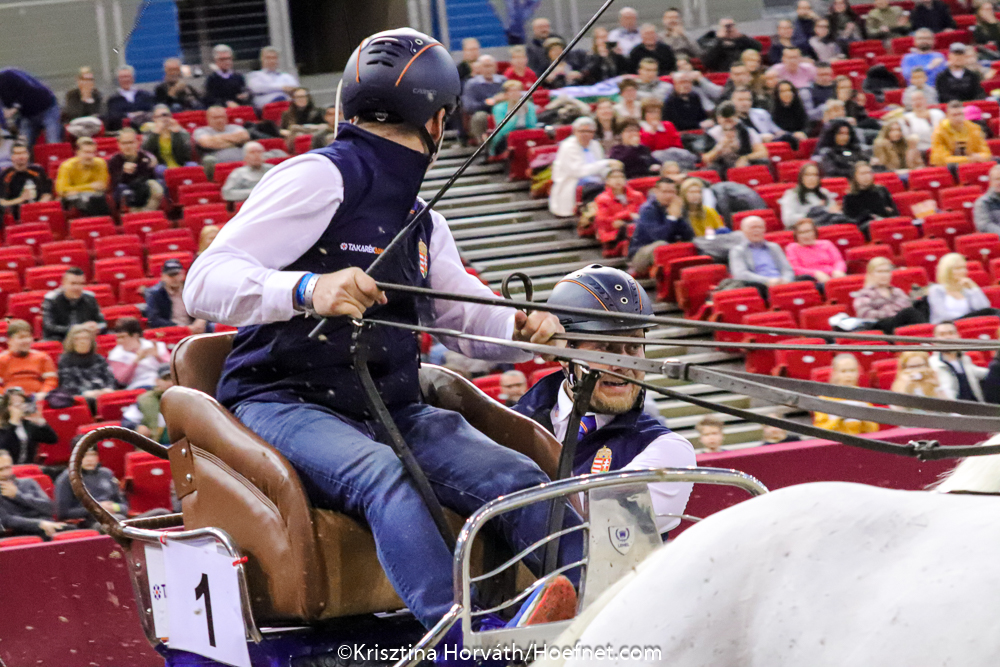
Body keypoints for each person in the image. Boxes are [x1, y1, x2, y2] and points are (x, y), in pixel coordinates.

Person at [183, 29, 582, 632]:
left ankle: (603, 610)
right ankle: (459, 641)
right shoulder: (319, 177)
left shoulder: (423, 220)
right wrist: (307, 289)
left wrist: (520, 325)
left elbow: (460, 311)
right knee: (383, 475)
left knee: (519, 479)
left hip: (394, 409)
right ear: (439, 121)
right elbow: (203, 282)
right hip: (285, 402)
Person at [513, 266, 696, 536]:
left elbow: (588, 530)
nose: (623, 364)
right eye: (605, 349)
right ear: (563, 354)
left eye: (633, 347)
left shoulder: (668, 450)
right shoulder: (510, 422)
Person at [629, 178, 694, 274]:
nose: (668, 196)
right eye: (664, 192)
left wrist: (680, 219)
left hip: (668, 251)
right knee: (661, 245)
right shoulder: (647, 210)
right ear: (656, 192)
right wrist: (672, 218)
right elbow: (658, 237)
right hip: (641, 255)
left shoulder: (676, 207)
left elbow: (689, 236)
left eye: (672, 192)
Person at [550, 117, 611, 217]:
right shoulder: (567, 146)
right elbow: (578, 171)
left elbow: (602, 168)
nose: (585, 134)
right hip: (574, 184)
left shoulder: (595, 145)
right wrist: (605, 163)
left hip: (596, 183)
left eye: (589, 131)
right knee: (599, 190)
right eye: (582, 131)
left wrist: (610, 173)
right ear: (575, 132)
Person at [54, 446, 129, 527]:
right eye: (84, 455)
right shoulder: (67, 478)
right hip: (87, 522)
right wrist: (96, 508)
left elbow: (124, 505)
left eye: (93, 454)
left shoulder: (106, 474)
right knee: (117, 523)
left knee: (133, 521)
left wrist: (113, 508)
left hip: (114, 517)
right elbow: (63, 513)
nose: (90, 459)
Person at [853, 257, 929, 334]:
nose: (884, 275)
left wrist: (885, 309)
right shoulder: (865, 294)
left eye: (886, 271)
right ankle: (926, 335)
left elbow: (907, 305)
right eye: (880, 272)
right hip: (879, 326)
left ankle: (925, 334)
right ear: (871, 274)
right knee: (909, 313)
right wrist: (892, 311)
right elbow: (865, 314)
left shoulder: (897, 291)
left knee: (922, 304)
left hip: (899, 322)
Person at [0, 451, 65, 539]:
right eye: (1, 470)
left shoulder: (28, 483)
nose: (6, 473)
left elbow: (49, 508)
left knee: (72, 531)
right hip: (24, 531)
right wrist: (39, 524)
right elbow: (7, 520)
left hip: (48, 523)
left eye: (8, 468)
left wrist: (17, 496)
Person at [813, 353, 880, 434]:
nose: (849, 375)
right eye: (843, 371)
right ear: (835, 373)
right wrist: (838, 418)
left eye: (852, 371)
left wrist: (863, 418)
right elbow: (819, 431)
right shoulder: (824, 399)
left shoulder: (863, 395)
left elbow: (874, 429)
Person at [729, 215, 796, 295]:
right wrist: (768, 281)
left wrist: (786, 280)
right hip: (759, 285)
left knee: (805, 279)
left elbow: (787, 269)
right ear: (743, 230)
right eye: (752, 228)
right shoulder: (738, 251)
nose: (756, 230)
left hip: (782, 282)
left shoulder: (774, 247)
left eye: (760, 227)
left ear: (764, 229)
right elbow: (740, 274)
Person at [702, 101, 769, 177]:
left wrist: (745, 158)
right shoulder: (712, 134)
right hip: (723, 166)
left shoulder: (747, 131)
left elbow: (763, 152)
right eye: (725, 120)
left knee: (763, 161)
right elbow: (706, 158)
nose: (728, 124)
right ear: (718, 119)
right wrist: (720, 146)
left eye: (731, 120)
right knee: (713, 168)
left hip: (744, 164)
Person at [0, 68, 61, 148]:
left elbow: (26, 89)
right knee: (23, 145)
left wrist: (14, 107)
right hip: (27, 114)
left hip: (47, 108)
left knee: (53, 141)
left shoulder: (8, 75)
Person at [929, 253, 998, 323]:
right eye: (957, 268)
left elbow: (983, 309)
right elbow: (943, 314)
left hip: (967, 324)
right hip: (947, 326)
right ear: (947, 271)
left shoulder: (966, 289)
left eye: (964, 268)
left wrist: (974, 288)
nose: (963, 271)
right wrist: (966, 318)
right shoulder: (936, 290)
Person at [41, 267, 106, 342]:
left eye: (81, 284)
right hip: (60, 339)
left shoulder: (90, 298)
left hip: (86, 340)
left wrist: (97, 327)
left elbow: (103, 323)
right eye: (73, 283)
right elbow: (49, 327)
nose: (77, 287)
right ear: (63, 284)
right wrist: (79, 329)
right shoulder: (52, 299)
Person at [145, 259, 209, 333]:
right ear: (163, 277)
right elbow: (154, 320)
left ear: (182, 274)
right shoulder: (155, 294)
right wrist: (182, 328)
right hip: (172, 332)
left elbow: (206, 308)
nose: (174, 278)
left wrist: (201, 320)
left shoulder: (192, 289)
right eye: (170, 276)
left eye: (177, 274)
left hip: (197, 328)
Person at [929, 321, 988, 401]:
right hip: (952, 407)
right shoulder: (932, 365)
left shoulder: (964, 359)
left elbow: (982, 373)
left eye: (951, 333)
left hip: (976, 406)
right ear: (934, 340)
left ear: (958, 336)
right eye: (942, 334)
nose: (947, 337)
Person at [58, 324, 115, 405]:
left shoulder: (99, 358)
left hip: (104, 394)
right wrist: (87, 392)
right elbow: (68, 385)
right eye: (77, 339)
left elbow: (109, 378)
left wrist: (108, 389)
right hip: (82, 397)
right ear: (72, 342)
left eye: (86, 339)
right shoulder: (65, 361)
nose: (82, 342)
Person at [107, 127, 163, 212]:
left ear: (137, 142)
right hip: (125, 189)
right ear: (118, 144)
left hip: (145, 188)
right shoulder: (114, 160)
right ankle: (134, 214)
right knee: (123, 189)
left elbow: (150, 176)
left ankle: (147, 212)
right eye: (124, 143)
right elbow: (115, 183)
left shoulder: (145, 157)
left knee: (156, 184)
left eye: (131, 142)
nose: (128, 146)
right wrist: (124, 172)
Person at [107, 317, 169, 390]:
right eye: (118, 337)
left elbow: (172, 367)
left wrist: (158, 357)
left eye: (123, 337)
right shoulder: (115, 355)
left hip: (162, 381)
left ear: (135, 335)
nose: (119, 341)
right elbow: (121, 380)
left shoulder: (156, 346)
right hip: (138, 385)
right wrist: (135, 362)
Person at [0, 320, 57, 397]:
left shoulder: (43, 357)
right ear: (10, 340)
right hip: (10, 400)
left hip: (38, 398)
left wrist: (43, 394)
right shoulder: (2, 359)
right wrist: (7, 397)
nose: (25, 341)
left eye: (28, 337)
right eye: (21, 337)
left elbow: (51, 381)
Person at [0, 387, 56, 465]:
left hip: (28, 466)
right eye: (16, 405)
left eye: (22, 403)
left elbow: (52, 439)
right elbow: (3, 446)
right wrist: (13, 423)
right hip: (8, 467)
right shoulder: (3, 426)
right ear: (7, 407)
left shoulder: (28, 425)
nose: (20, 407)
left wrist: (42, 424)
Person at [55, 137, 109, 216]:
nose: (90, 156)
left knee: (97, 199)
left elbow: (101, 186)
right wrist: (90, 186)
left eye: (93, 152)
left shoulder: (101, 163)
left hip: (95, 197)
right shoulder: (67, 166)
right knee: (84, 200)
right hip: (72, 199)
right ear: (78, 152)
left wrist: (75, 189)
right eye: (86, 152)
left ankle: (102, 221)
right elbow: (61, 190)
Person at [121, 364, 174, 443]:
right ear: (157, 381)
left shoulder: (187, 398)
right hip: (154, 444)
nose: (170, 383)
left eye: (173, 379)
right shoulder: (145, 400)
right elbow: (126, 421)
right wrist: (137, 427)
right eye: (166, 379)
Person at [193, 106, 251, 178]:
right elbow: (207, 143)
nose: (219, 120)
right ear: (208, 119)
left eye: (222, 117)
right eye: (215, 118)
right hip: (216, 160)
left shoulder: (236, 127)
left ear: (226, 118)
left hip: (241, 158)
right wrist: (234, 142)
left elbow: (244, 137)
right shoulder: (201, 130)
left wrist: (216, 139)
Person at [784, 218, 846, 285]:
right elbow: (795, 268)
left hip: (833, 275)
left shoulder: (826, 243)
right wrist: (815, 273)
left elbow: (838, 261)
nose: (806, 235)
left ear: (814, 232)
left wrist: (838, 270)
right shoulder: (792, 248)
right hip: (811, 280)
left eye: (809, 231)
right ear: (796, 235)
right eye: (801, 232)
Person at [929, 100, 992, 166]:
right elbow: (941, 160)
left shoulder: (974, 128)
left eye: (960, 114)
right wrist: (968, 159)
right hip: (950, 167)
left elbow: (987, 153)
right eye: (954, 115)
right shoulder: (939, 132)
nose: (958, 118)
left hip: (972, 164)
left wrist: (980, 157)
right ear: (947, 116)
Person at [780, 162, 841, 228]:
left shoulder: (824, 192)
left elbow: (834, 211)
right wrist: (810, 216)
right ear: (801, 177)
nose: (812, 178)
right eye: (808, 175)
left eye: (815, 175)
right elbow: (787, 220)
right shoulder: (792, 194)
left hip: (826, 226)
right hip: (804, 229)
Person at [0, 142, 52, 220]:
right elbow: (2, 202)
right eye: (17, 154)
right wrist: (21, 199)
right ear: (11, 157)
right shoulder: (5, 175)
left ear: (28, 155)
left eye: (24, 153)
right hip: (16, 212)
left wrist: (38, 205)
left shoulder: (38, 170)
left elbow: (47, 193)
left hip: (39, 209)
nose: (21, 157)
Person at [462, 55, 506, 145]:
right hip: (482, 113)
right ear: (480, 68)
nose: (488, 69)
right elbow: (469, 106)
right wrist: (490, 102)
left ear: (496, 67)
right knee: (480, 116)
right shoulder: (472, 84)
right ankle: (482, 144)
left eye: (491, 66)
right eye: (485, 66)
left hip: (502, 110)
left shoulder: (503, 81)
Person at [594, 167, 645, 241]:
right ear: (607, 181)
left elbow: (644, 214)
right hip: (613, 234)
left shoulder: (637, 196)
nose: (618, 180)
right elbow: (603, 222)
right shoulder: (602, 199)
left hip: (635, 228)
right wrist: (627, 214)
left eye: (621, 177)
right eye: (614, 177)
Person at [489, 80, 538, 155]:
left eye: (517, 90)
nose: (515, 93)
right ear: (506, 93)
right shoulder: (499, 108)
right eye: (511, 91)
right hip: (505, 137)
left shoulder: (529, 105)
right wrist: (514, 114)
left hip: (524, 133)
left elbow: (532, 125)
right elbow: (503, 130)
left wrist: (526, 113)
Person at [843, 161, 899, 225]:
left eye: (869, 173)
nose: (867, 176)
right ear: (855, 177)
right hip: (866, 226)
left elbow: (894, 212)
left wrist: (888, 212)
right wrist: (867, 216)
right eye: (863, 174)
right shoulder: (850, 197)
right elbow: (850, 219)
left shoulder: (881, 190)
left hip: (885, 222)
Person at [142, 104, 194, 170]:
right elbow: (146, 151)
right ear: (154, 118)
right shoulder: (149, 132)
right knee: (160, 169)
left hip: (181, 162)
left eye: (166, 115)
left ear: (171, 116)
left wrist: (176, 134)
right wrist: (155, 134)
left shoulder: (179, 130)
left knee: (193, 165)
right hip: (161, 165)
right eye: (159, 116)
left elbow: (186, 153)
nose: (164, 119)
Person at [105, 65, 155, 132]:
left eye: (127, 77)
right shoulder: (113, 99)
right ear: (118, 79)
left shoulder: (145, 95)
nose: (125, 80)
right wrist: (131, 115)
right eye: (122, 77)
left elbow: (150, 110)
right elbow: (113, 116)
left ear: (133, 78)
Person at [974, 164, 1000, 234]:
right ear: (990, 182)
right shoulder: (983, 202)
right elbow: (984, 225)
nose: (999, 182)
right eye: (997, 179)